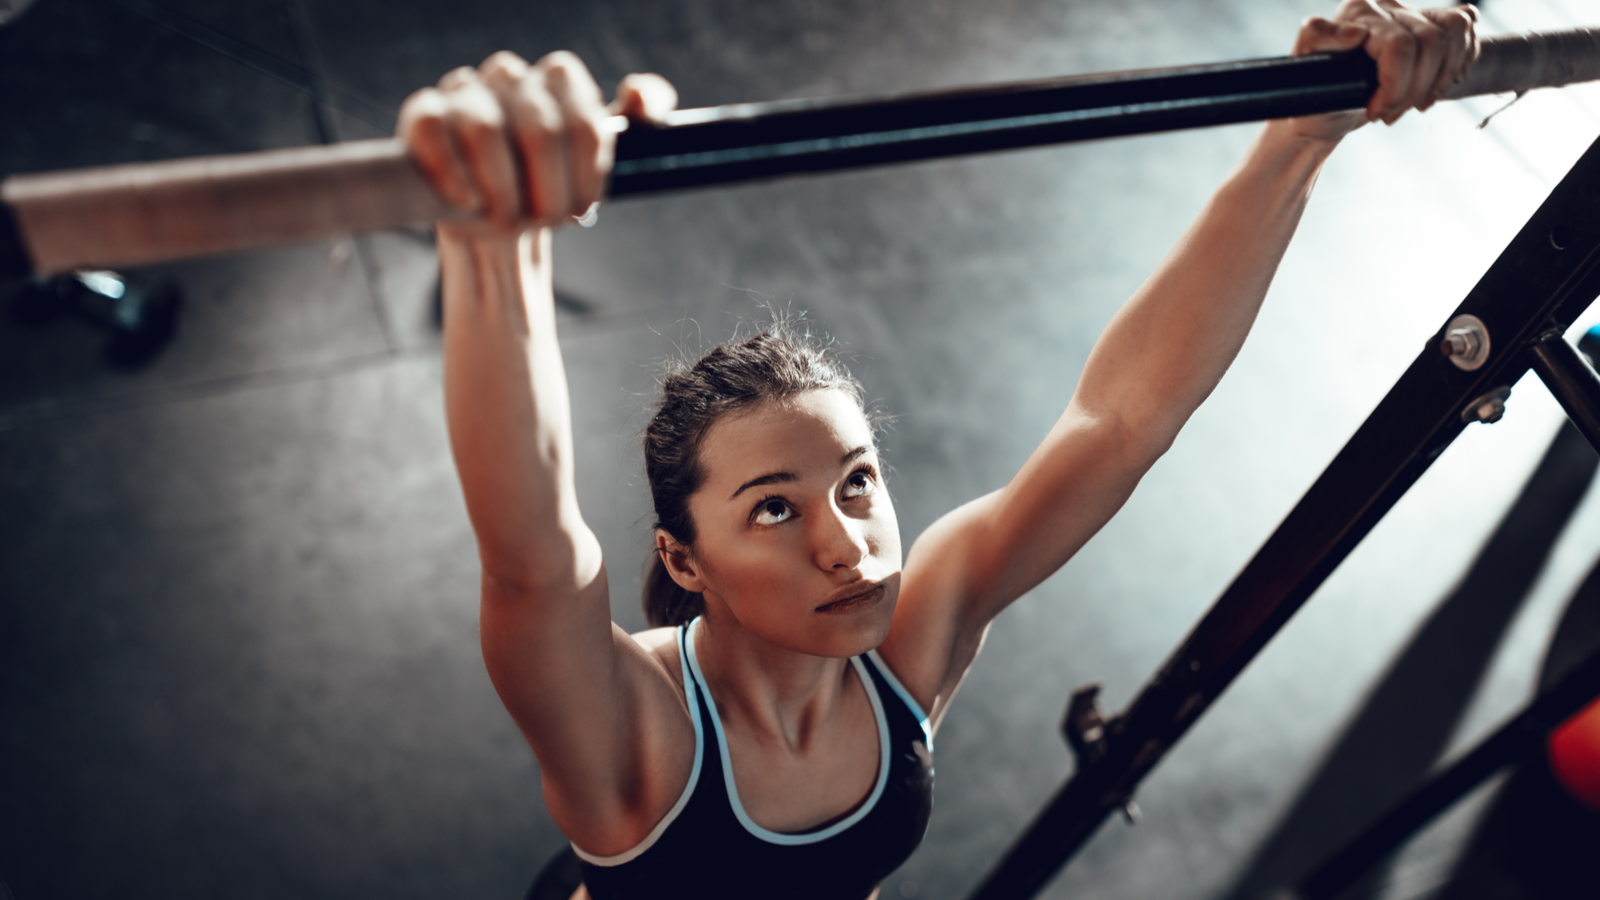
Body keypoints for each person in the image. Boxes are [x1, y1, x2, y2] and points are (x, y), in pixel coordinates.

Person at [396, 2, 1479, 897]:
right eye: (774, 507)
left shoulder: (912, 636)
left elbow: (1119, 421)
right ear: (684, 561)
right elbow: (533, 562)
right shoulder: (635, 739)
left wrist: (1297, 140)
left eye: (856, 482)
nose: (844, 543)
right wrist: (497, 235)